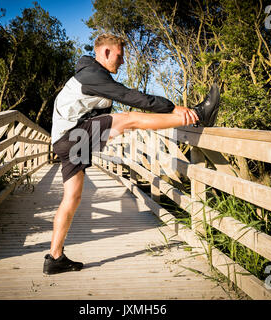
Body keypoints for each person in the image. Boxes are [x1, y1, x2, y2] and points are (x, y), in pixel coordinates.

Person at [43, 33, 220, 275]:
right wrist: (172, 107)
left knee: (71, 198)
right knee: (130, 119)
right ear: (105, 52)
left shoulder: (93, 74)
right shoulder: (92, 76)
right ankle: (197, 115)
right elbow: (132, 98)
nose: (123, 61)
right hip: (72, 137)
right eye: (120, 55)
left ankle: (55, 258)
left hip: (66, 140)